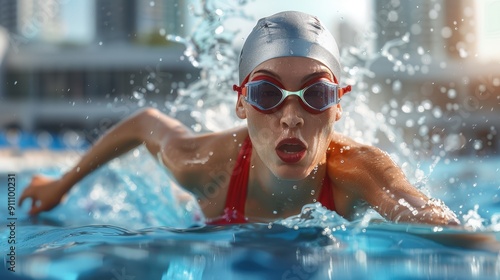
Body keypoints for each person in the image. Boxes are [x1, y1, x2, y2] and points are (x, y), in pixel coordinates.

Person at [19, 11, 460, 226]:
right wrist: (60, 186)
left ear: (339, 104)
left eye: (316, 94)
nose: (291, 118)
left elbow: (429, 215)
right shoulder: (201, 163)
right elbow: (143, 123)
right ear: (241, 104)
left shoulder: (358, 172)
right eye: (267, 93)